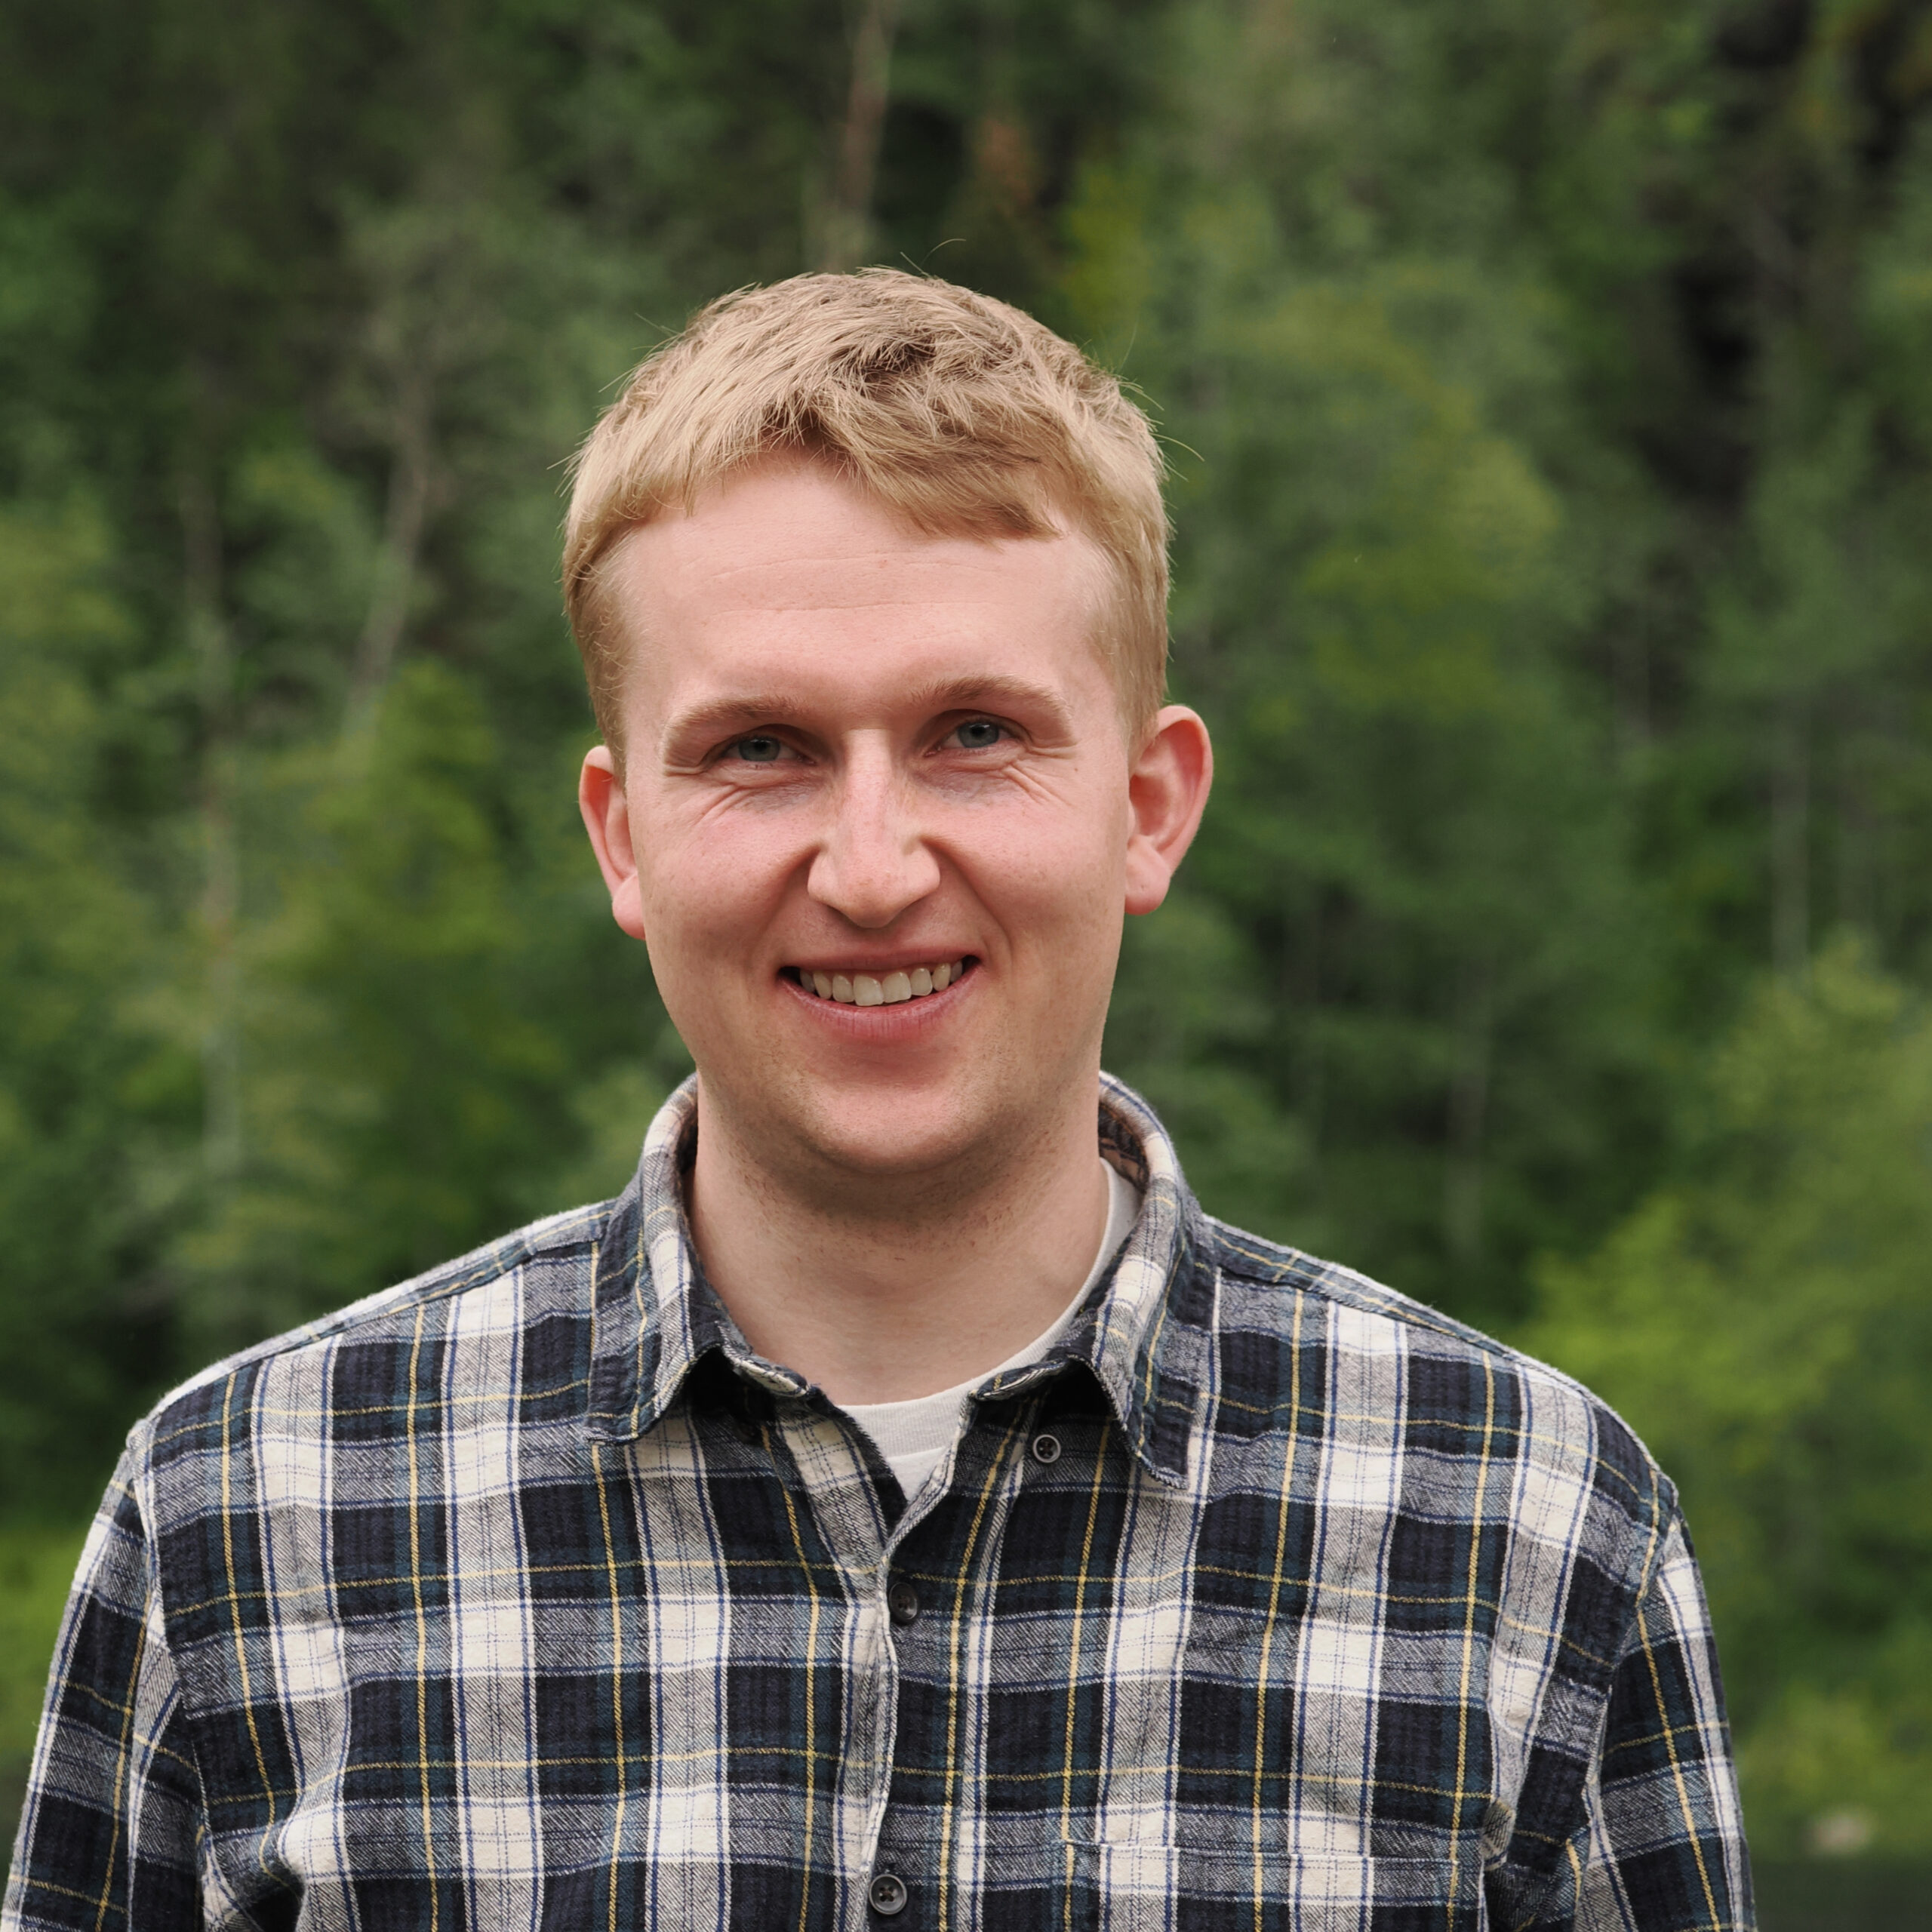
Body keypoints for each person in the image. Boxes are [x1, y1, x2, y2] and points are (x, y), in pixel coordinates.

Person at [4, 271, 1750, 1931]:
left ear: (1147, 806)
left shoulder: (1528, 1529)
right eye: (758, 747)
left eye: (973, 732)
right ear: (622, 837)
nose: (868, 865)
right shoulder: (243, 1514)